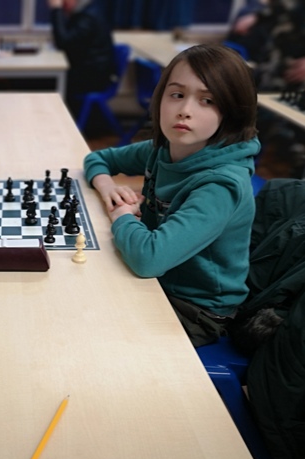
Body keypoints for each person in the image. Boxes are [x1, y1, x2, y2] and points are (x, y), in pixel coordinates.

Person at [84, 44, 260, 347]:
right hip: (158, 281)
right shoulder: (164, 149)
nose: (185, 110)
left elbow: (148, 259)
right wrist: (108, 187)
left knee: (91, 330)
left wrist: (122, 216)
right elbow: (98, 159)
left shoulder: (221, 185)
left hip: (196, 309)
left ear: (231, 112)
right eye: (177, 94)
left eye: (207, 101)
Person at [48, 0, 116, 111]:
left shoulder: (88, 17)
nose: (63, 3)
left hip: (93, 77)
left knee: (45, 81)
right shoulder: (84, 12)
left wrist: (56, 10)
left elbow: (63, 42)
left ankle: (56, 116)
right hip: (88, 70)